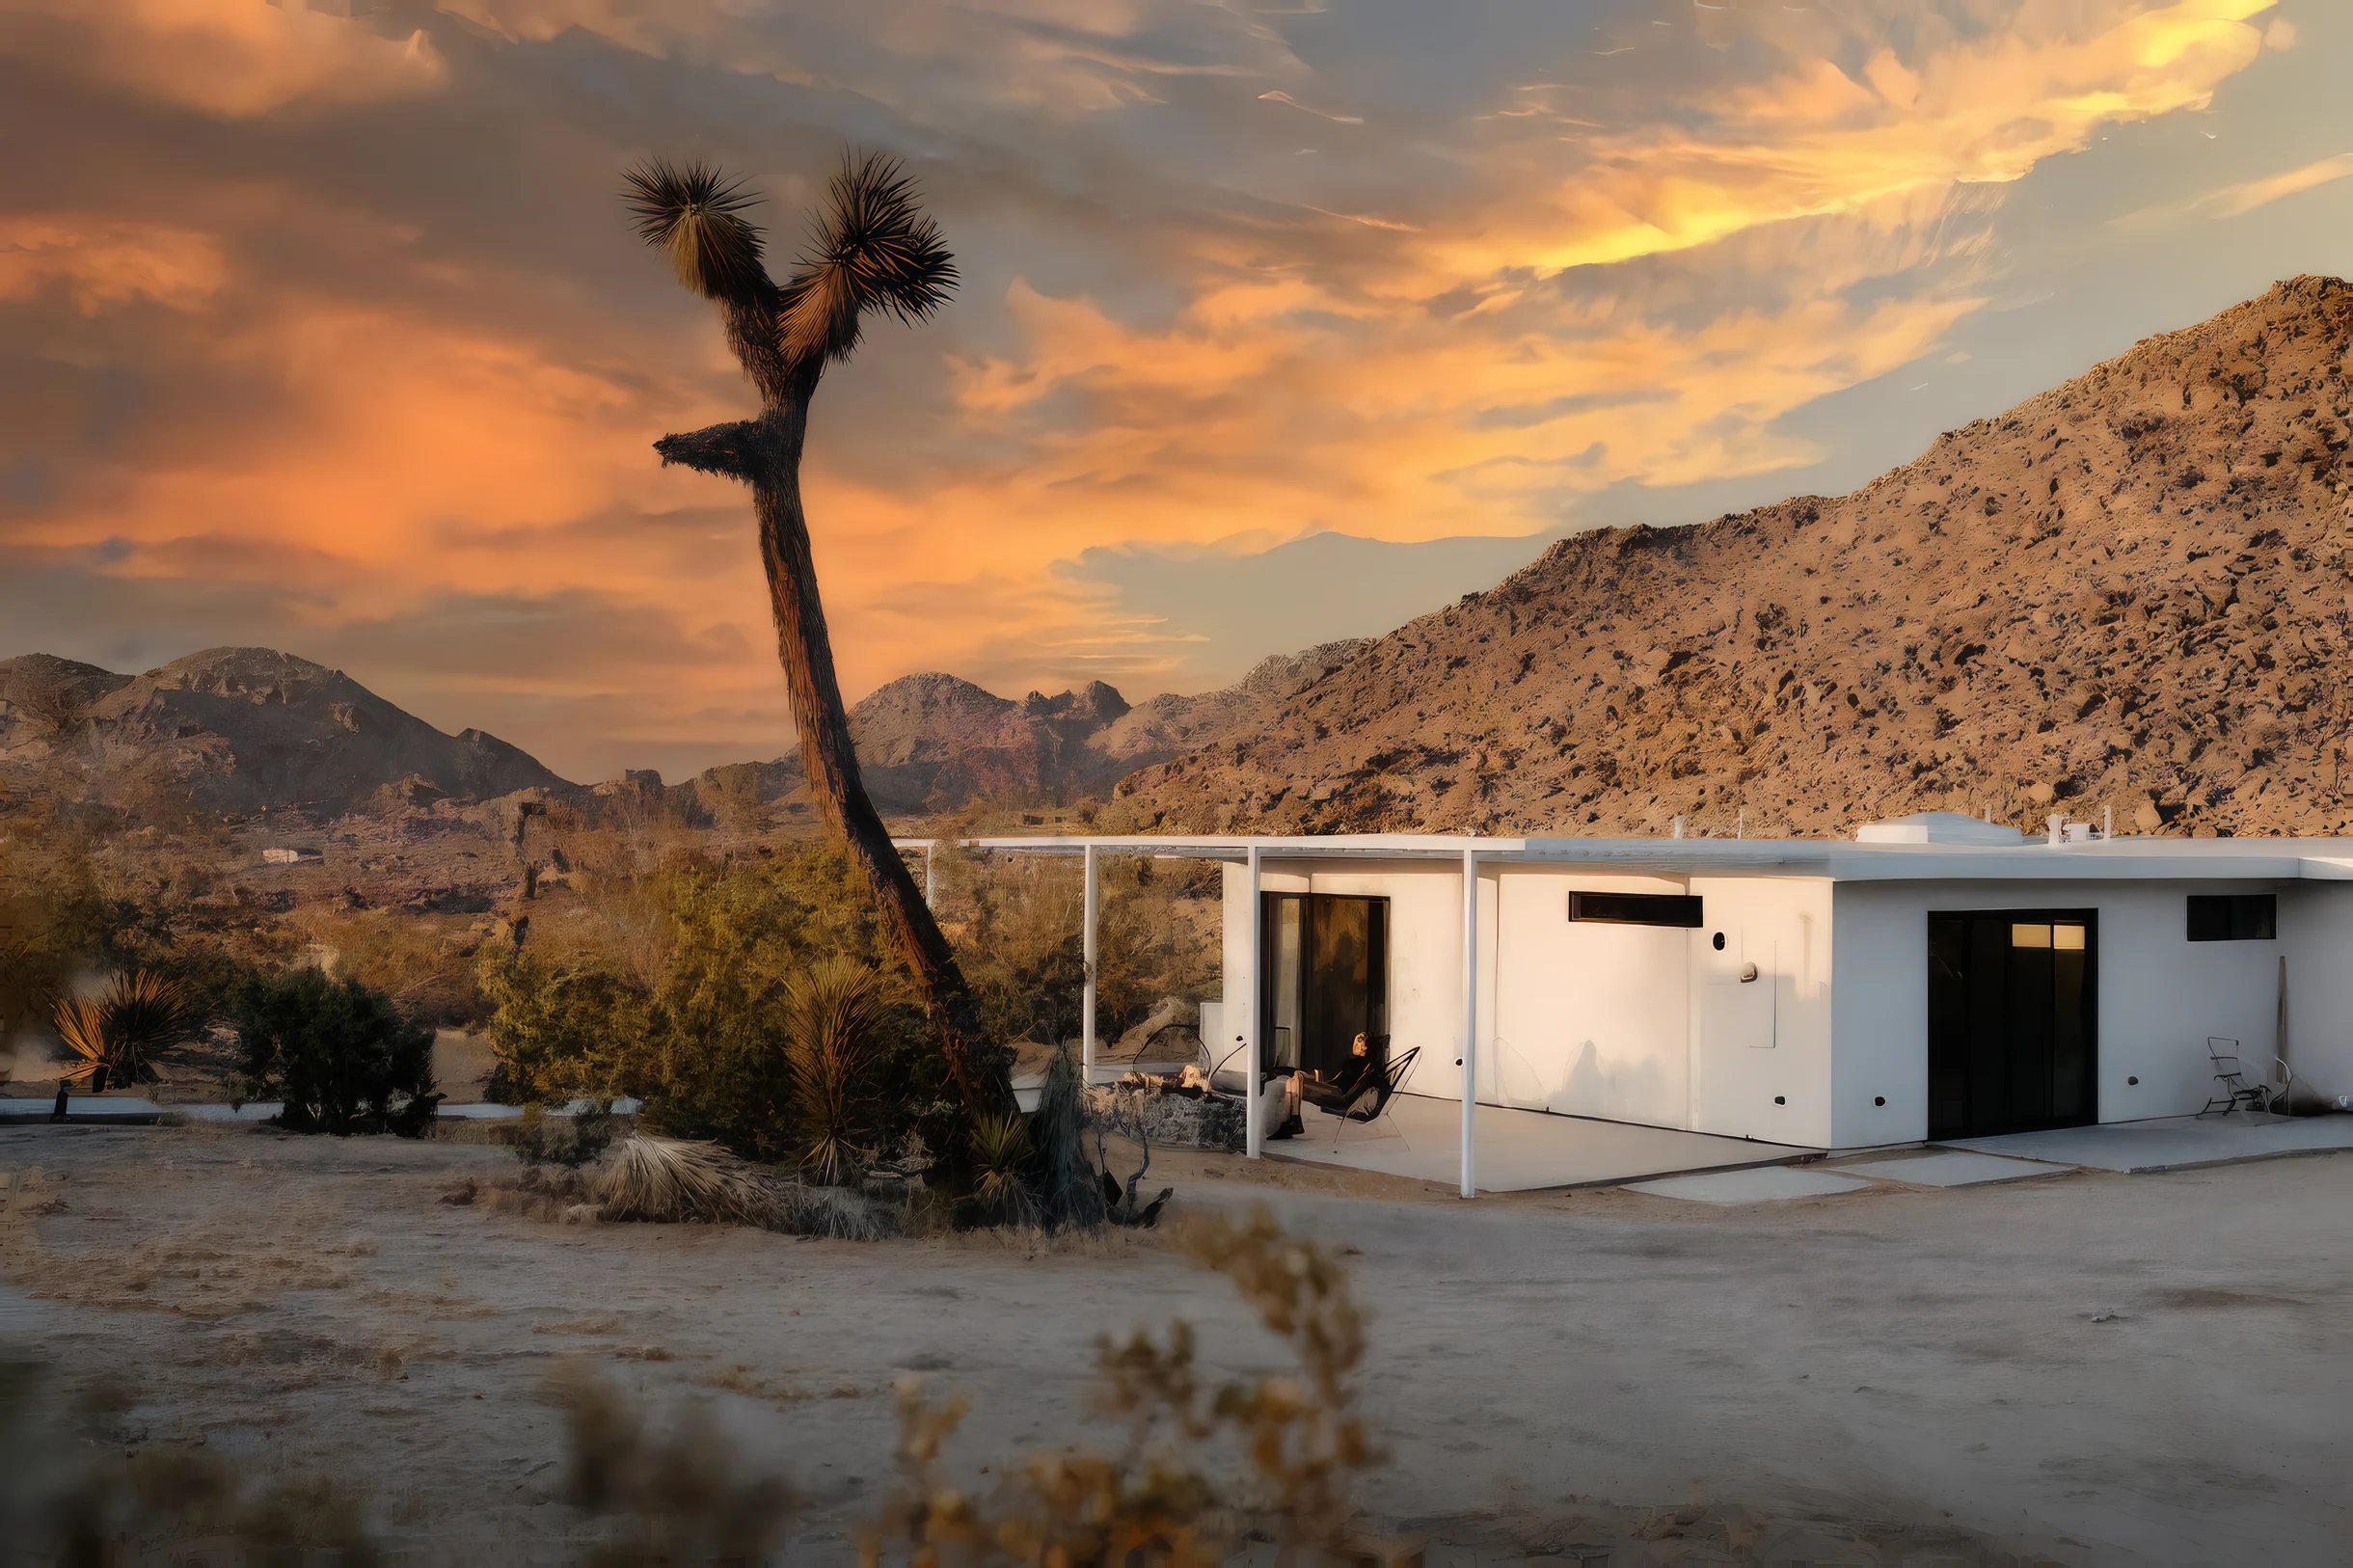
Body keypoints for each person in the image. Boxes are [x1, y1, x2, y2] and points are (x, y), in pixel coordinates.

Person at [1264, 1032, 1384, 1140]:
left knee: (1298, 1079)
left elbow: (1355, 1088)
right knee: (1294, 1078)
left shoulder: (1368, 1066)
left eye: (1359, 1041)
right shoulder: (1352, 1063)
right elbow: (1335, 1080)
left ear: (1366, 1046)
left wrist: (1334, 1092)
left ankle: (1294, 1120)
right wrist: (1321, 1082)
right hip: (1333, 1087)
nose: (1355, 1044)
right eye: (1355, 1040)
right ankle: (1290, 1121)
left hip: (1339, 1093)